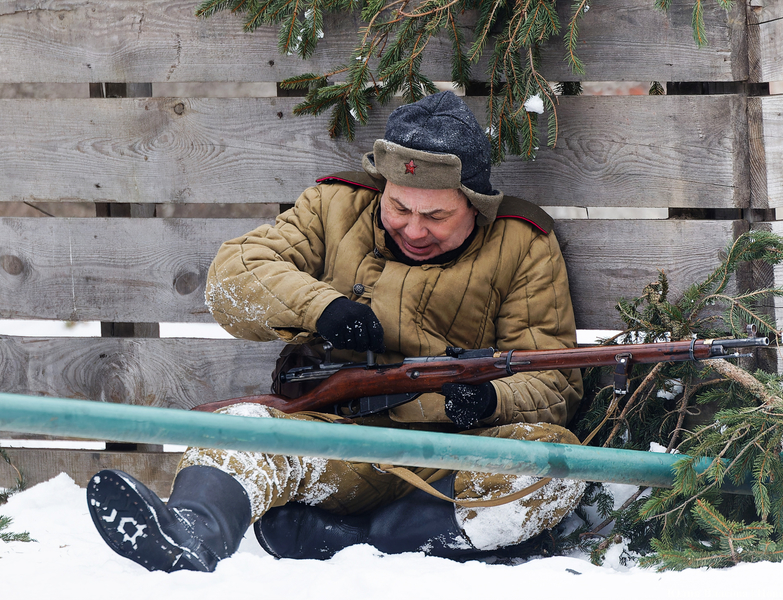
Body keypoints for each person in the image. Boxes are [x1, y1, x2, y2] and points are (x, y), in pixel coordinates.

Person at [86, 90, 586, 572]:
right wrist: (321, 307)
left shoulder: (523, 242)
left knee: (555, 465)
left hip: (451, 462)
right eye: (400, 209)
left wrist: (489, 400)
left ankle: (363, 539)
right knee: (241, 428)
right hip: (333, 442)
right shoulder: (335, 205)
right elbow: (233, 276)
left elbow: (553, 380)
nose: (413, 230)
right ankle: (191, 536)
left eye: (436, 216)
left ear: (476, 204)